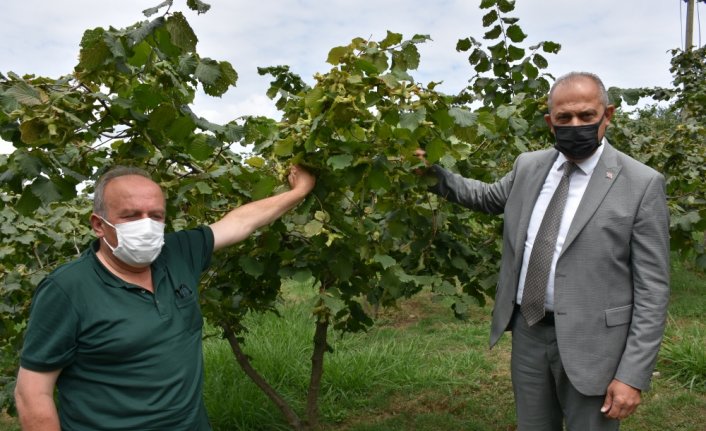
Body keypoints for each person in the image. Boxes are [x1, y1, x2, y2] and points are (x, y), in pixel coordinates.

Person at [416, 72, 670, 430]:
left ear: (607, 115)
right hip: (529, 331)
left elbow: (653, 290)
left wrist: (632, 374)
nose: (575, 125)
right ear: (551, 122)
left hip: (594, 343)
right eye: (564, 118)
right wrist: (429, 172)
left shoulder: (641, 184)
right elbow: (486, 197)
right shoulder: (530, 166)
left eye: (586, 116)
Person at [14, 164, 316, 430]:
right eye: (131, 216)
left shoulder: (178, 253)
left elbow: (241, 222)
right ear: (98, 225)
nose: (146, 225)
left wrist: (299, 191)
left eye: (155, 215)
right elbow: (32, 392)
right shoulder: (68, 289)